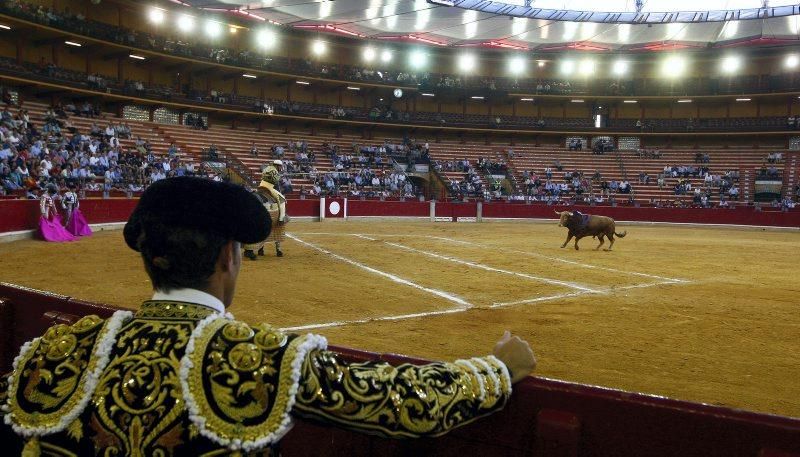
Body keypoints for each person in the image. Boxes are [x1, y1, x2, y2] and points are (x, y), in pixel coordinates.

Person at [0, 177, 536, 456]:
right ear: (229, 257)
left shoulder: (57, 352)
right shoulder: (259, 358)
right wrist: (495, 369)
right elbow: (402, 403)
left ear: (147, 257)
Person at [244, 160, 288, 260]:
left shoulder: (267, 168)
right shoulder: (274, 171)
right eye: (280, 166)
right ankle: (281, 218)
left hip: (261, 186)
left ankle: (258, 249)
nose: (281, 168)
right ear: (278, 166)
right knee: (282, 200)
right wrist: (279, 177)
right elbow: (275, 181)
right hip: (269, 187)